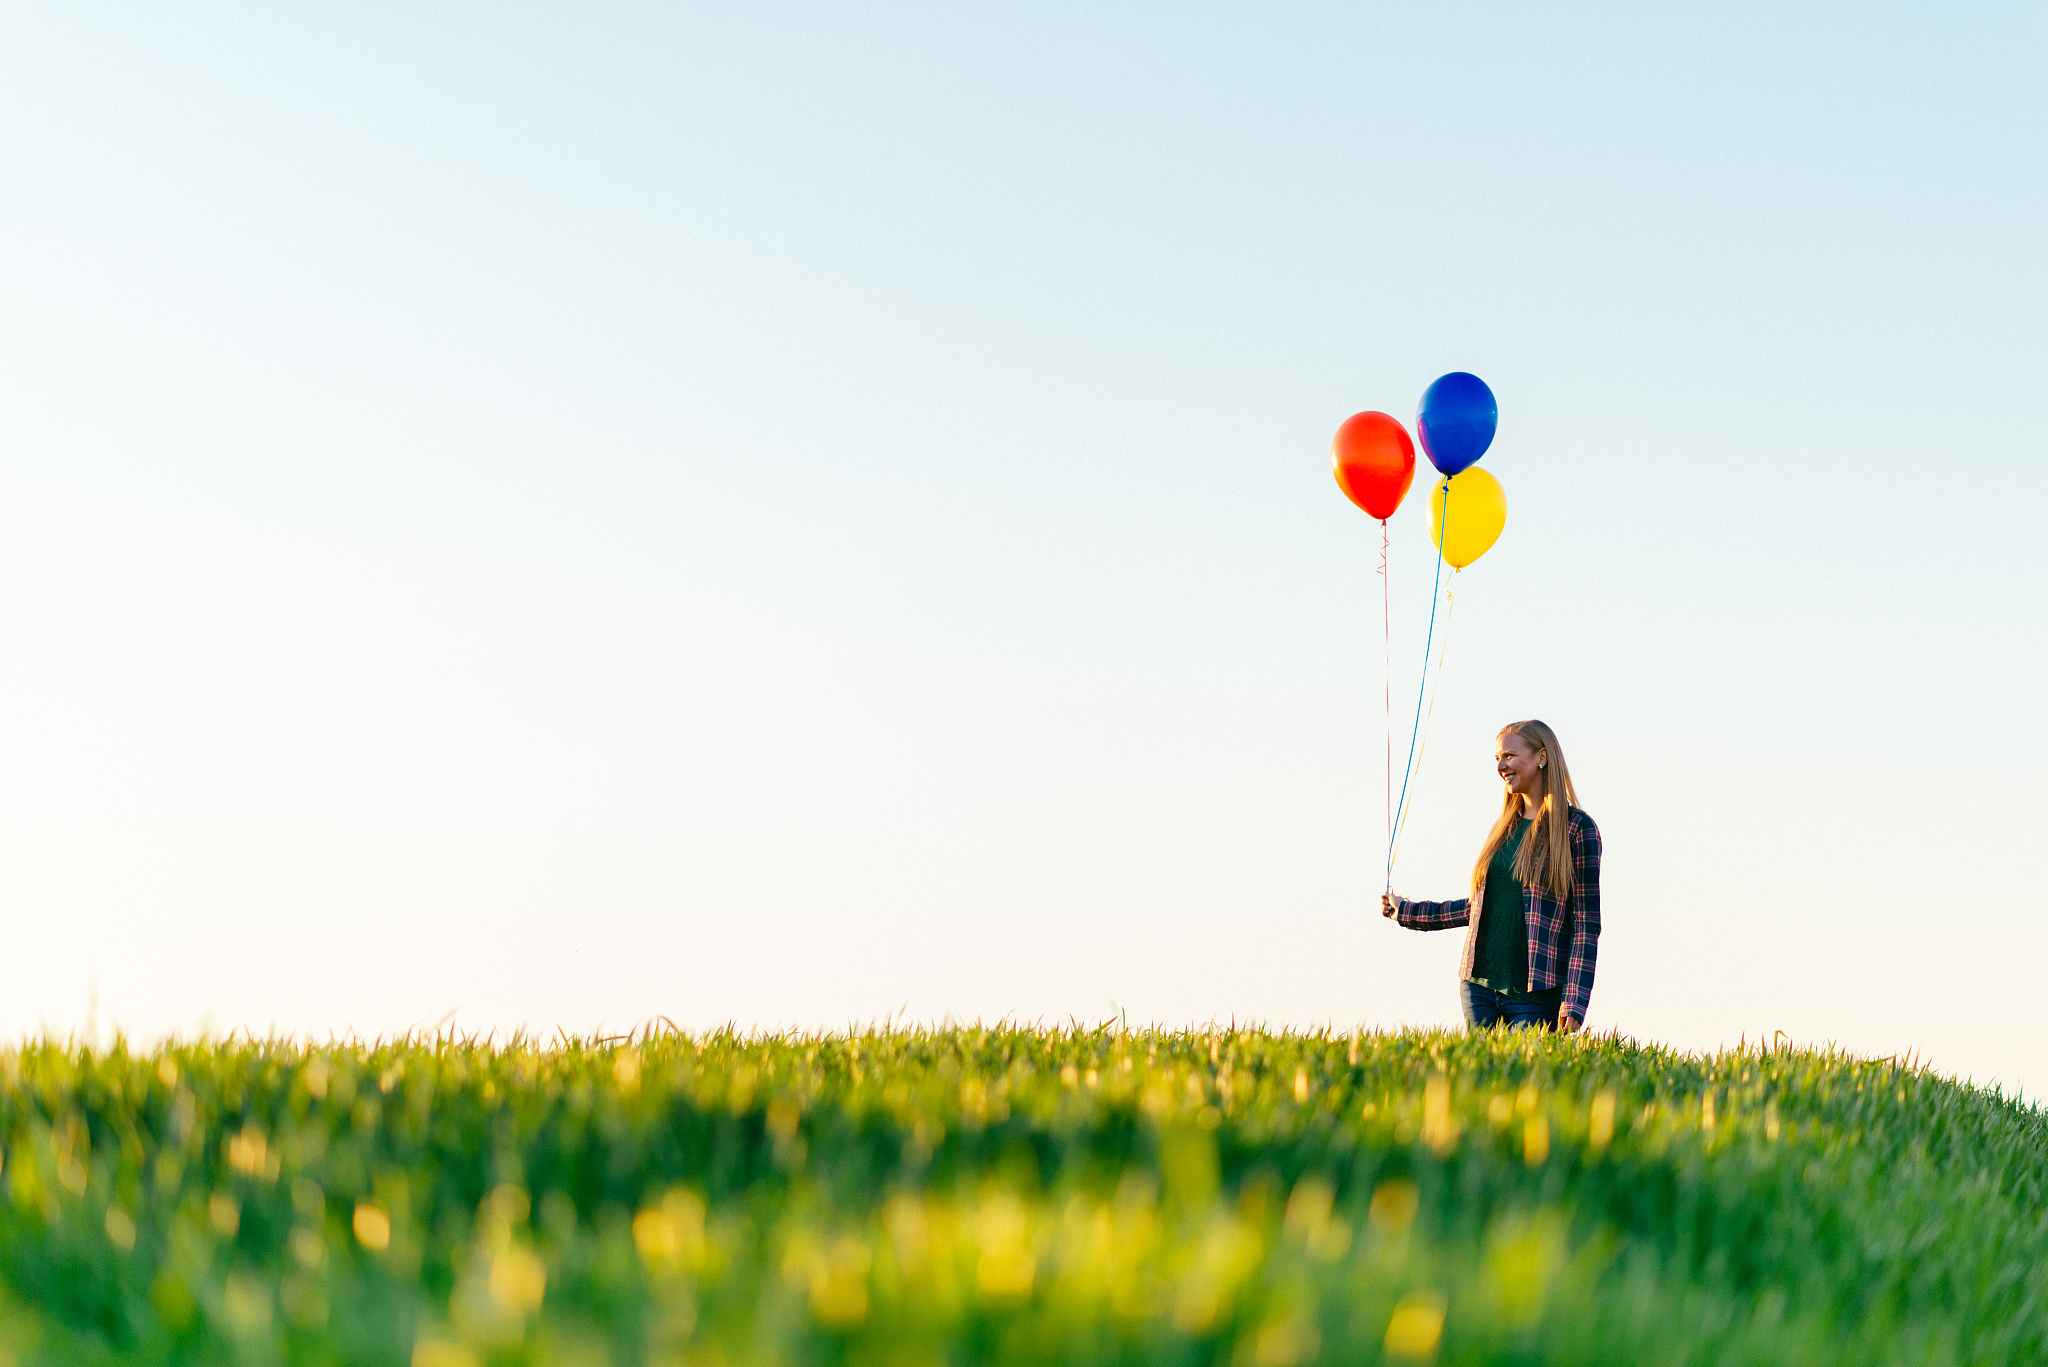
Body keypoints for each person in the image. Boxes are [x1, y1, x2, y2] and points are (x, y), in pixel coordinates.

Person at [1382, 719, 1602, 1032]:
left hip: (1537, 997)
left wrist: (1575, 1001)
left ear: (1541, 757)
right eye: (1497, 758)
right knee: (1482, 1067)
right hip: (1479, 988)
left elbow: (1586, 925)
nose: (1500, 766)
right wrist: (1407, 911)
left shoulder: (1577, 829)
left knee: (1526, 1066)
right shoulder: (1503, 829)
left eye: (1509, 756)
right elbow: (1481, 908)